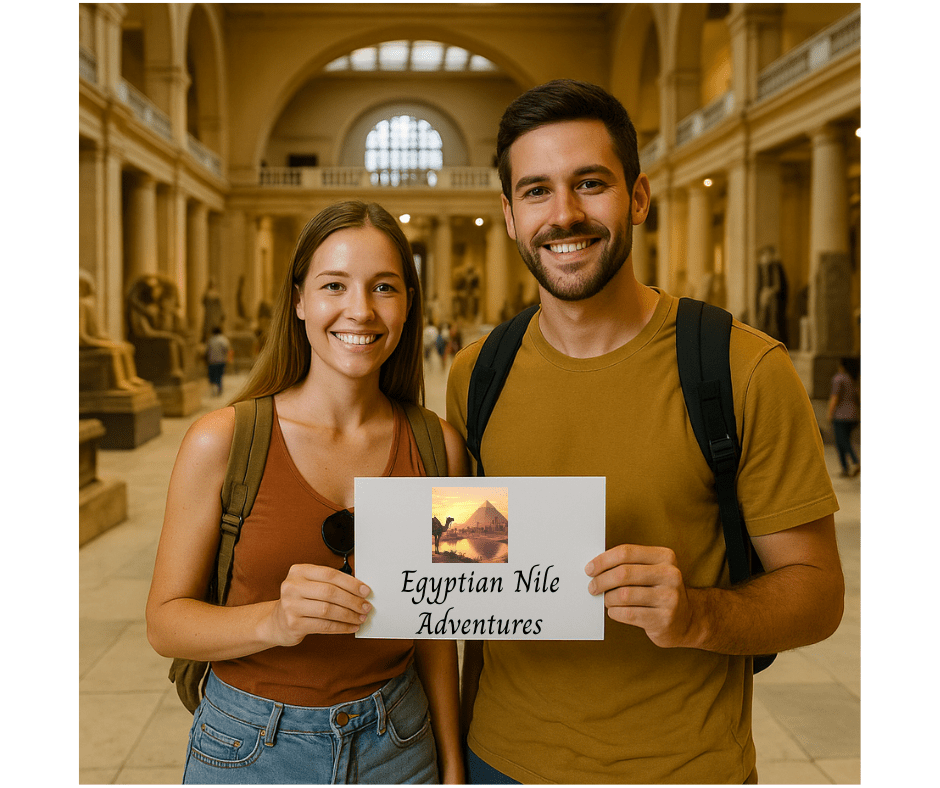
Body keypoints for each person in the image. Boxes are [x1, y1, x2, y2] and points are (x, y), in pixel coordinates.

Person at [445, 80, 845, 784]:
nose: (564, 214)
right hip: (498, 762)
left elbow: (817, 593)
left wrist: (697, 615)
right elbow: (475, 578)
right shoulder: (477, 375)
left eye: (590, 183)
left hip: (683, 769)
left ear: (637, 197)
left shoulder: (740, 368)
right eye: (536, 191)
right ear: (508, 216)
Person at [147, 200, 467, 784]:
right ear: (299, 300)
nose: (360, 310)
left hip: (399, 741)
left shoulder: (438, 447)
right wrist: (274, 620)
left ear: (408, 304)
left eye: (385, 287)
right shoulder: (221, 441)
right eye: (334, 285)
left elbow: (436, 626)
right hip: (248, 746)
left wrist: (450, 762)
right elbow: (165, 623)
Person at [827, 357, 861, 477]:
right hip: (852, 416)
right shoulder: (852, 379)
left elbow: (834, 398)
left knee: (842, 441)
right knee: (842, 441)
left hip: (840, 415)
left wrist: (829, 413)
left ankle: (854, 461)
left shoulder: (838, 379)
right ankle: (845, 468)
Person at [205, 325, 232, 396]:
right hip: (221, 361)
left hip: (212, 361)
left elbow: (207, 351)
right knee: (219, 376)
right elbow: (227, 349)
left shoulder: (210, 340)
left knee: (213, 376)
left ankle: (214, 389)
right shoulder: (223, 339)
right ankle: (219, 389)